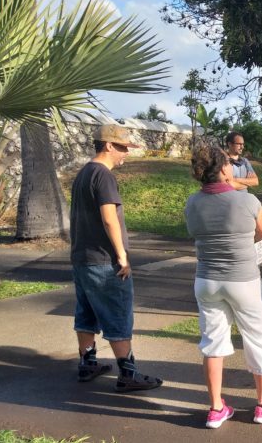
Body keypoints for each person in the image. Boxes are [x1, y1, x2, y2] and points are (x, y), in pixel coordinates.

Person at [185, 146, 262, 429]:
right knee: (259, 338)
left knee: (212, 343)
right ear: (223, 169)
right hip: (242, 279)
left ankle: (216, 408)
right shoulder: (246, 201)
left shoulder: (192, 203)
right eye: (230, 165)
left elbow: (194, 232)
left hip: (206, 280)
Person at [70, 124, 163, 392]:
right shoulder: (103, 175)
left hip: (82, 257)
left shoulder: (83, 173)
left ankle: (88, 363)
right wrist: (122, 256)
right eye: (122, 148)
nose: (125, 154)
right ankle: (128, 373)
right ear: (108, 146)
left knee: (85, 313)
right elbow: (109, 217)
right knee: (118, 314)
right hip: (103, 260)